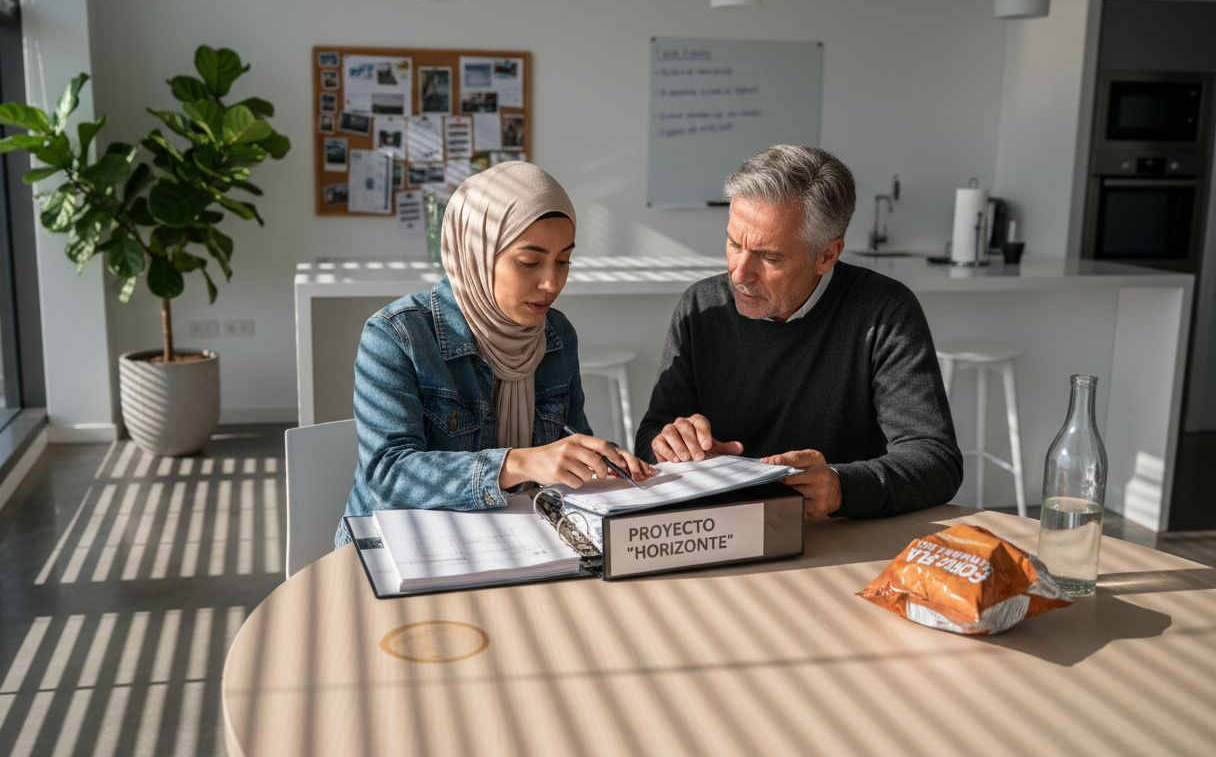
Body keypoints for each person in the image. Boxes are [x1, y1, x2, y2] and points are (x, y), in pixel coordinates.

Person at [635, 145, 961, 519]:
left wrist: (841, 487)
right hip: (720, 528)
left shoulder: (884, 311)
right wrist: (668, 447)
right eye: (733, 244)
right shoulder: (702, 306)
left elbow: (936, 460)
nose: (739, 273)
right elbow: (649, 438)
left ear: (827, 256)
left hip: (839, 538)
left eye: (769, 257)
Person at [338, 162, 653, 546]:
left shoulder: (556, 335)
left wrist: (598, 460)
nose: (552, 282)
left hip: (510, 542)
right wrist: (518, 462)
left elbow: (569, 438)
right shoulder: (397, 335)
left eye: (564, 260)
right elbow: (390, 477)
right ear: (477, 252)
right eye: (529, 262)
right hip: (400, 549)